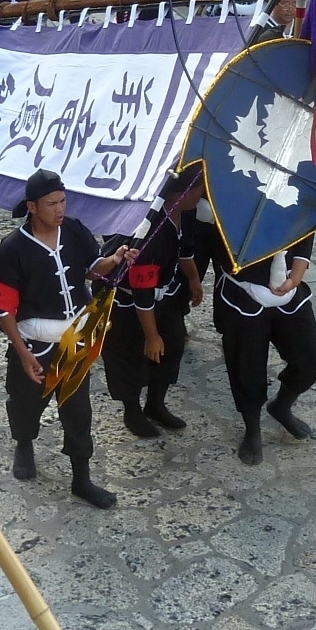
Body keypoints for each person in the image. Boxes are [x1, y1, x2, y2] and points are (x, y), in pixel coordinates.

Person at [0, 169, 136, 508]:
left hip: (74, 342)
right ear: (32, 207)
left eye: (63, 201)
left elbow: (93, 269)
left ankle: (81, 480)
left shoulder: (74, 230)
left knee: (78, 412)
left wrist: (115, 259)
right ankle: (24, 443)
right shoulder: (13, 248)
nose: (59, 209)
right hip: (35, 345)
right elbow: (2, 308)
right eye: (51, 203)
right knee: (25, 404)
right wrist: (23, 354)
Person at [101, 171, 204, 438]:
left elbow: (185, 250)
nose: (201, 194)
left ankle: (156, 404)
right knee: (132, 356)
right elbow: (142, 293)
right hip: (130, 303)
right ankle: (132, 410)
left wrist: (194, 279)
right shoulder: (150, 232)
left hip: (164, 295)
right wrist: (151, 335)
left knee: (172, 347)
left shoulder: (186, 212)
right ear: (177, 195)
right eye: (197, 190)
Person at [216, 230, 316, 466]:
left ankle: (281, 406)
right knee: (247, 365)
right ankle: (252, 428)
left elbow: (306, 228)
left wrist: (295, 277)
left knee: (309, 360)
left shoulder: (301, 193)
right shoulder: (231, 195)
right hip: (242, 289)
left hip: (290, 289)